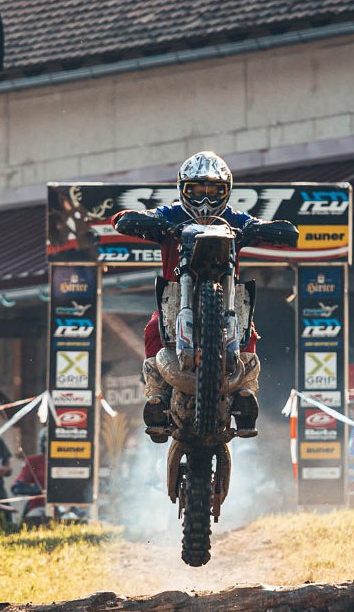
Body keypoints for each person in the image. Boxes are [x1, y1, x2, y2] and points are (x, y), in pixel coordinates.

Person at [112, 151, 298, 441]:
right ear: (183, 190)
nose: (205, 198)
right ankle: (156, 396)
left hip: (225, 297)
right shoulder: (171, 214)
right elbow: (122, 219)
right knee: (153, 328)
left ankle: (246, 393)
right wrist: (144, 222)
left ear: (226, 191)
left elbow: (283, 230)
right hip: (177, 294)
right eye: (197, 191)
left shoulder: (234, 218)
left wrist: (268, 230)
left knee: (248, 331)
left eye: (214, 191)